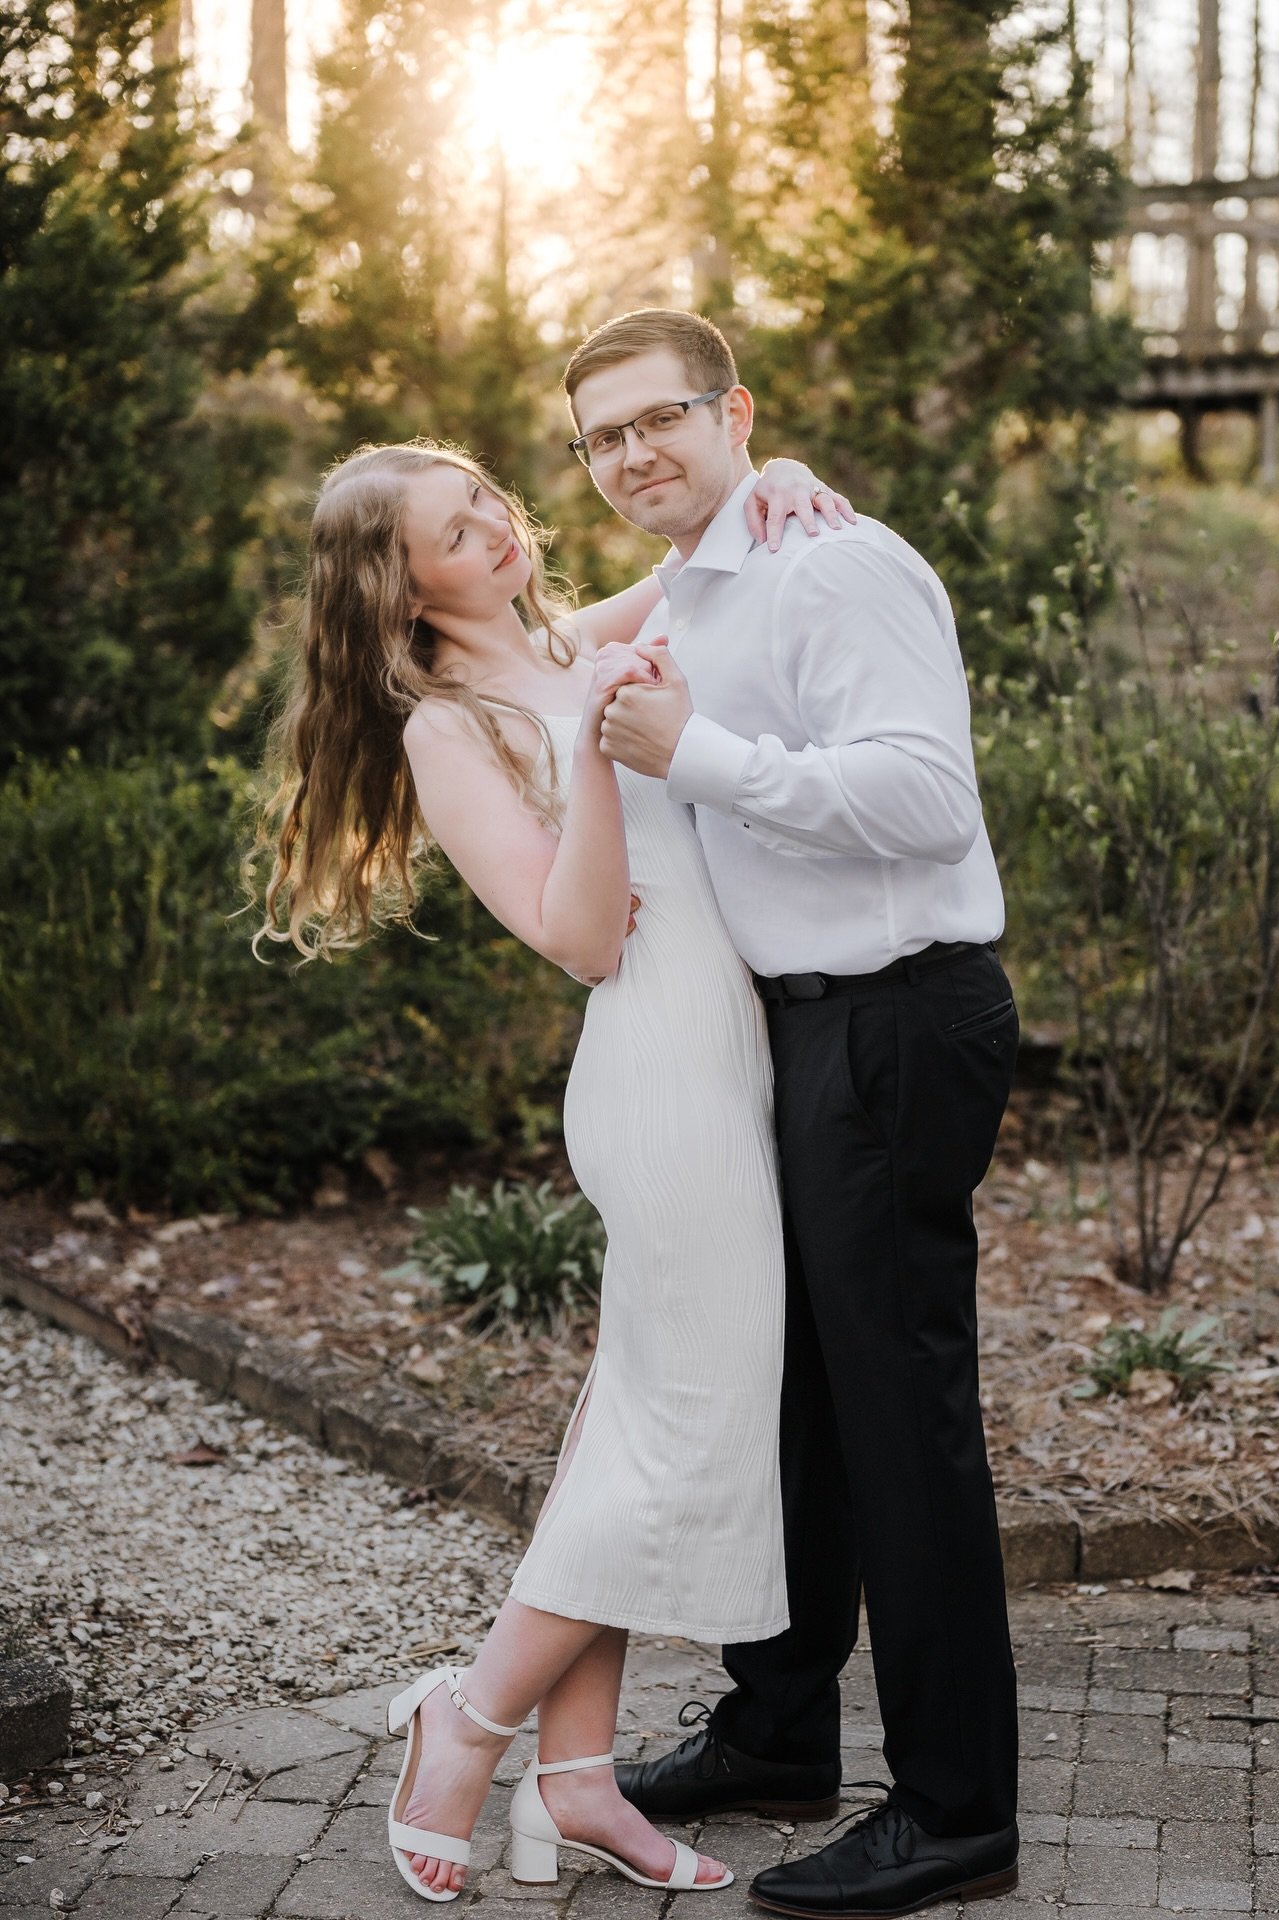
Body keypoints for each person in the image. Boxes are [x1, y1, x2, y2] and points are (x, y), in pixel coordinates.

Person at [249, 438, 854, 1904]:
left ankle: (576, 1784)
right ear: (400, 592)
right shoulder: (446, 732)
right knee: (683, 1436)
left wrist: (775, 477)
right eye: (455, 532)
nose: (497, 529)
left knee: (630, 1436)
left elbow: (701, 563)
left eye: (486, 503)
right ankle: (465, 1722)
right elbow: (583, 940)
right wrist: (588, 751)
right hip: (659, 1081)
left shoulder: (576, 643)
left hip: (736, 1062)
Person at [566, 308, 1023, 1918]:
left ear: (735, 410)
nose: (634, 453)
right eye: (604, 436)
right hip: (799, 1033)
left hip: (897, 1018)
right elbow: (506, 643)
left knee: (902, 1424)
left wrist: (701, 755)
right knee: (798, 1404)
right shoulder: (699, 579)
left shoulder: (836, 566)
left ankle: (958, 1811)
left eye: (661, 419)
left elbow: (930, 798)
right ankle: (777, 1731)